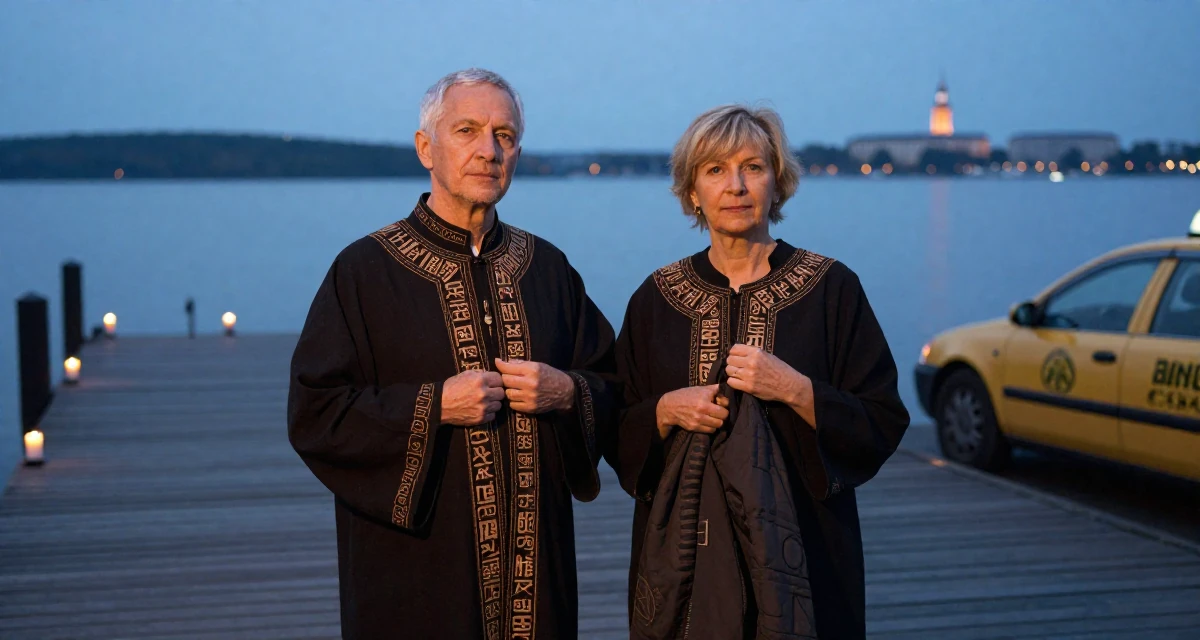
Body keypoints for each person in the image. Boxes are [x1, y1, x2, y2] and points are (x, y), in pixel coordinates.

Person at [287, 68, 617, 640]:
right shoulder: (364, 272)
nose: (488, 151)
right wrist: (434, 405)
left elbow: (615, 383)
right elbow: (316, 412)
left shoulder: (548, 270)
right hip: (413, 573)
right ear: (425, 148)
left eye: (505, 136)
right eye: (467, 130)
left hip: (536, 579)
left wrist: (568, 392)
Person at [606, 104, 910, 639]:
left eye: (753, 167)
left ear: (778, 183)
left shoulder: (831, 289)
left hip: (810, 552)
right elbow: (615, 425)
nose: (737, 185)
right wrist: (662, 411)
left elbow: (883, 418)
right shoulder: (656, 299)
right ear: (692, 191)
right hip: (686, 560)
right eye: (716, 170)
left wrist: (795, 389)